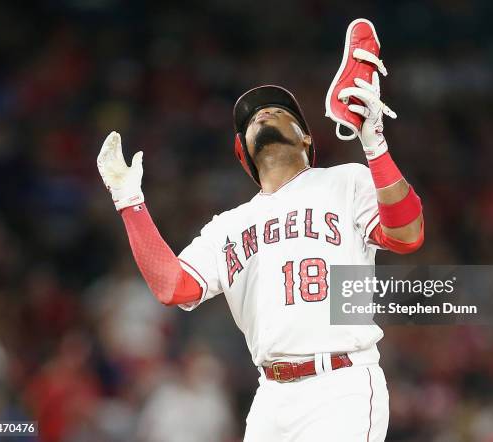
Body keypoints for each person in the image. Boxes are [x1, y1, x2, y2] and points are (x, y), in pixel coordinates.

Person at [97, 68, 423, 440]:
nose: (264, 114)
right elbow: (173, 286)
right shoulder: (228, 225)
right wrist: (129, 202)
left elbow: (407, 233)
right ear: (243, 152)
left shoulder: (346, 180)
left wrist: (375, 145)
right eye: (253, 118)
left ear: (306, 138)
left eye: (280, 111)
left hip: (340, 385)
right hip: (270, 396)